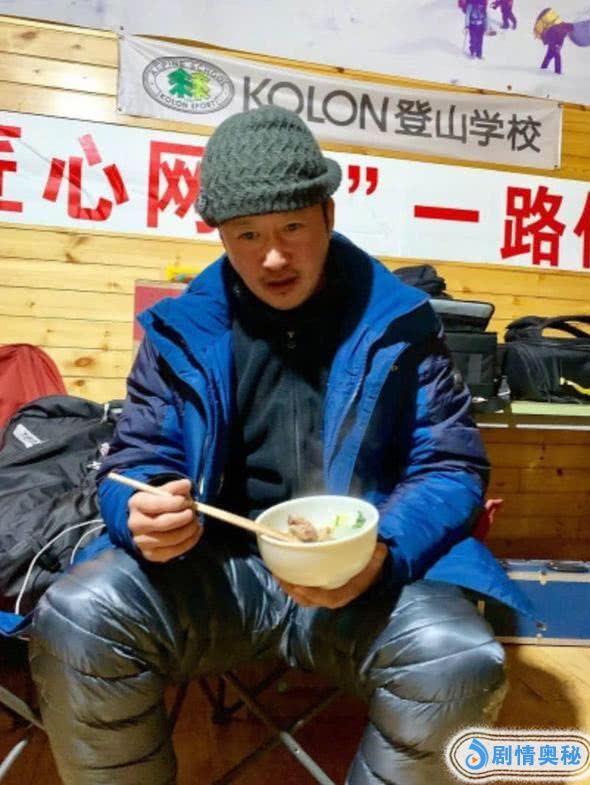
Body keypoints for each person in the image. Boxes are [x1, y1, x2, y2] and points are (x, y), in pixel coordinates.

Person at [27, 105, 528, 785]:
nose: (272, 256)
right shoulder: (180, 331)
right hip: (217, 572)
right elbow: (133, 463)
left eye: (292, 226)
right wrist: (138, 512)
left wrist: (384, 551)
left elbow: (449, 465)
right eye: (247, 234)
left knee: (458, 660)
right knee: (78, 618)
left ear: (327, 213)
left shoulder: (400, 323)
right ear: (221, 235)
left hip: (366, 575)